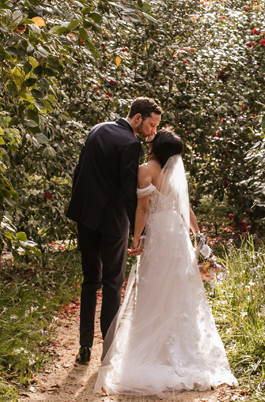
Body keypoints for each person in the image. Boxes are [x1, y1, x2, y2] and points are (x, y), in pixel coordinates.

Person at [94, 129, 237, 396]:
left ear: (155, 147)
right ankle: (184, 351)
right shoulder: (175, 173)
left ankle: (156, 352)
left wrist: (136, 239)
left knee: (154, 288)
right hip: (178, 235)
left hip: (159, 233)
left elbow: (143, 209)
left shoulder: (146, 169)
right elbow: (186, 208)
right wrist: (197, 233)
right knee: (180, 289)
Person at [65, 97, 162, 365]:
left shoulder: (97, 129)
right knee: (112, 283)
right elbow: (128, 191)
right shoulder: (131, 144)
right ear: (138, 118)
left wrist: (77, 211)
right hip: (113, 223)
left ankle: (84, 346)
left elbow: (79, 172)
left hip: (86, 218)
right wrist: (137, 231)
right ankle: (107, 351)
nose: (153, 132)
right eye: (152, 125)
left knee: (89, 281)